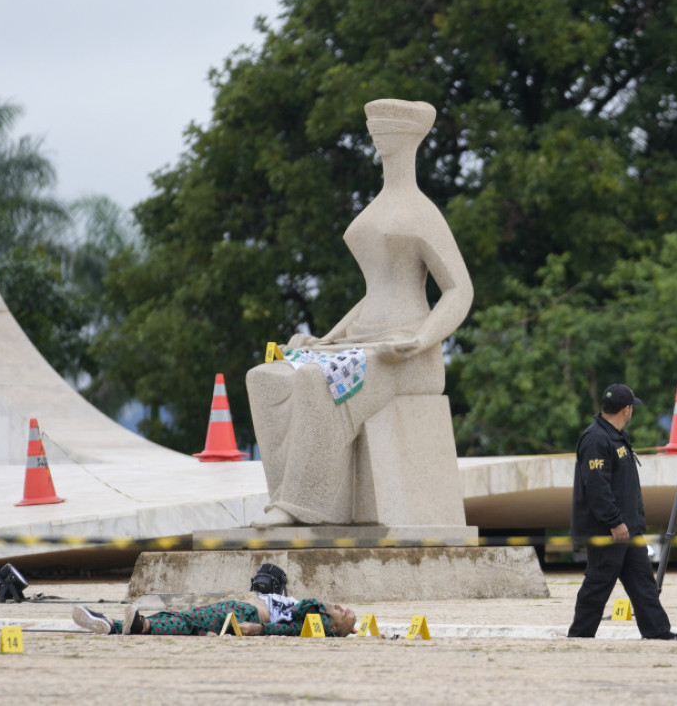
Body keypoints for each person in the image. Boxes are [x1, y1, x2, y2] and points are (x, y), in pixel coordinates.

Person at [247, 99, 473, 527]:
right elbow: (373, 294)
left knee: (318, 379)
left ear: (407, 137)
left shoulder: (424, 213)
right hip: (359, 343)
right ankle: (287, 495)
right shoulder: (376, 207)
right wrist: (326, 338)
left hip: (403, 355)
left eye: (384, 128)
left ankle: (304, 505)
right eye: (374, 128)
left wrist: (422, 339)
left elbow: (460, 289)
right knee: (265, 377)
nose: (376, 135)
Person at [567, 383, 677, 641]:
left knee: (643, 583)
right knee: (598, 583)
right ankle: (579, 636)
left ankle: (658, 632)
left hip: (628, 527)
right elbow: (597, 487)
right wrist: (614, 522)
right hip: (609, 529)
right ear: (626, 410)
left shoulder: (614, 435)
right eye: (631, 408)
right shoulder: (596, 439)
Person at [72, 595, 357, 638]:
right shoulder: (314, 620)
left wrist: (256, 629)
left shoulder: (315, 617)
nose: (341, 607)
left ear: (333, 625)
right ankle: (114, 624)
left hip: (241, 614)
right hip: (240, 615)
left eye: (344, 614)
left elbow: (296, 615)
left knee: (186, 620)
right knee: (188, 623)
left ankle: (135, 625)